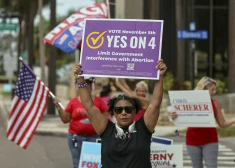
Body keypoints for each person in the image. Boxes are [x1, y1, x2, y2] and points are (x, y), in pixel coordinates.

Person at [73, 59, 167, 168]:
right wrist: (80, 79)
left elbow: (155, 104)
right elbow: (89, 105)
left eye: (128, 109)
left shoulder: (144, 128)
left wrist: (159, 77)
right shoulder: (105, 129)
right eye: (119, 110)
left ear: (135, 112)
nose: (123, 113)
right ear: (113, 113)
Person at [170, 76, 235, 168]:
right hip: (192, 140)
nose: (215, 92)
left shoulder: (215, 104)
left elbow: (222, 124)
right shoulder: (189, 102)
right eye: (212, 89)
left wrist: (234, 119)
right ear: (204, 89)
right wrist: (174, 117)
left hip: (210, 140)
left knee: (212, 166)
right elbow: (180, 117)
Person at [53, 77, 108, 168]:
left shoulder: (100, 102)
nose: (84, 87)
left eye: (87, 84)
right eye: (82, 84)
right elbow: (65, 119)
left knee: (93, 166)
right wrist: (58, 107)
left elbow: (105, 120)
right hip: (76, 138)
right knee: (77, 164)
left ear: (91, 86)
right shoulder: (73, 102)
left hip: (94, 138)